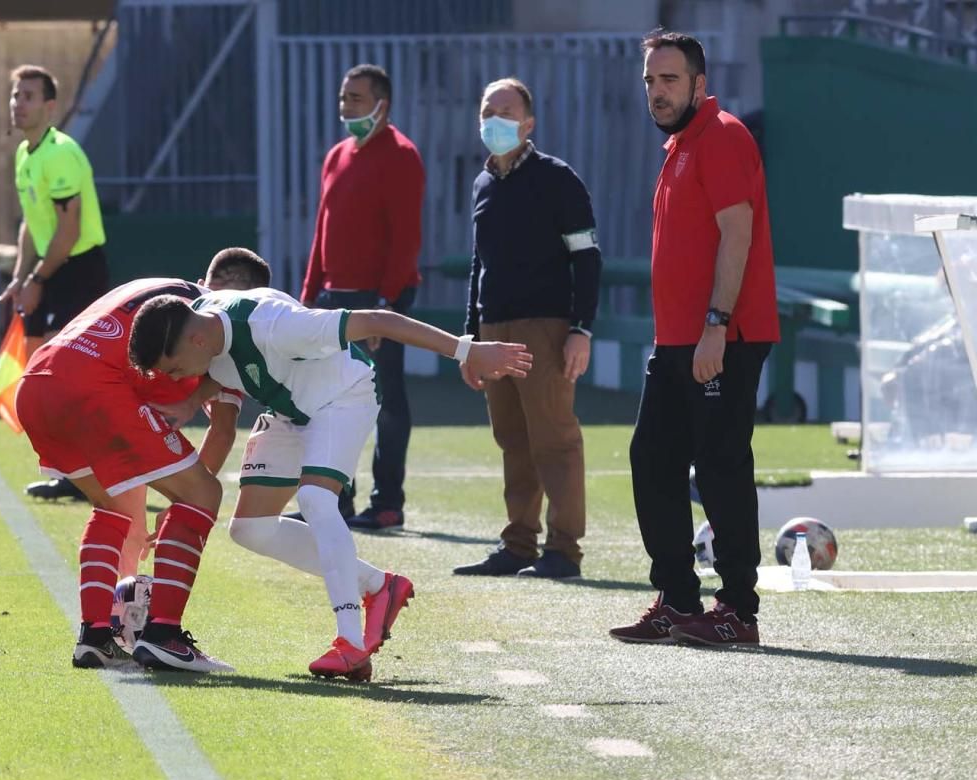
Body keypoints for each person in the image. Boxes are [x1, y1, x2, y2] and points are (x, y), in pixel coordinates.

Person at [128, 287, 532, 681]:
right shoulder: (203, 324)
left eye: (175, 369)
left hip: (344, 397)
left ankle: (351, 643)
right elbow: (222, 366)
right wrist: (188, 402)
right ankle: (380, 586)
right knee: (250, 529)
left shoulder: (279, 325)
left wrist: (469, 349)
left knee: (316, 500)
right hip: (290, 408)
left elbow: (380, 321)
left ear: (197, 339)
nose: (175, 378)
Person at [609, 31, 779, 648]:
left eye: (670, 80)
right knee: (651, 460)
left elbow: (739, 235)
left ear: (700, 85)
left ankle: (737, 609)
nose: (657, 91)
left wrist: (716, 326)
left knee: (720, 467)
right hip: (679, 339)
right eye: (651, 80)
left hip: (722, 335)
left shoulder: (724, 135)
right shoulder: (680, 144)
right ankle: (678, 600)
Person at [16, 272, 246, 674]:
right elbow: (222, 429)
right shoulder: (219, 330)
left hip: (37, 381)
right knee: (204, 495)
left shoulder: (159, 289)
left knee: (112, 508)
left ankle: (96, 637)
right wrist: (186, 512)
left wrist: (180, 506)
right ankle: (164, 636)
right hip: (92, 386)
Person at [452, 77, 600, 581]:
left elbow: (588, 258)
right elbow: (479, 265)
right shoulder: (482, 184)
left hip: (545, 327)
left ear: (529, 122)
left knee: (554, 439)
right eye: (487, 111)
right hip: (494, 329)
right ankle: (518, 545)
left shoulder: (557, 178)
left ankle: (564, 551)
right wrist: (469, 338)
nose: (495, 120)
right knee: (512, 438)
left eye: (506, 111)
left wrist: (581, 328)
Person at [299, 63, 425, 532]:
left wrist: (388, 305)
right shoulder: (336, 155)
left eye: (355, 97)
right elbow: (321, 232)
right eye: (343, 97)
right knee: (329, 401)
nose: (346, 105)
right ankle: (338, 500)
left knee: (386, 401)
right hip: (334, 298)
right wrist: (309, 294)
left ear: (381, 105)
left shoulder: (402, 155)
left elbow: (405, 237)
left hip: (380, 300)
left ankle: (387, 502)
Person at [0, 64, 110, 503]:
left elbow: (68, 230)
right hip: (53, 269)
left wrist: (38, 279)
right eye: (15, 95)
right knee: (42, 372)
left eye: (28, 96)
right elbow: (32, 223)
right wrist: (21, 277)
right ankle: (75, 471)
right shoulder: (26, 155)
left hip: (78, 269)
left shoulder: (60, 153)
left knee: (65, 374)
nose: (18, 103)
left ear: (49, 106)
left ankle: (91, 469)